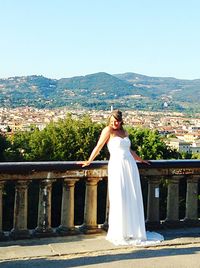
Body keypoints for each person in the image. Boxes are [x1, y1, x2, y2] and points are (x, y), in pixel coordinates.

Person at [80, 110, 164, 246]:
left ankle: (133, 230)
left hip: (130, 165)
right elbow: (99, 146)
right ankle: (121, 231)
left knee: (132, 196)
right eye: (113, 120)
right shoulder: (108, 130)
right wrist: (89, 161)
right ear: (109, 120)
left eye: (117, 121)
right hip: (117, 166)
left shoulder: (125, 132)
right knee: (119, 197)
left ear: (121, 121)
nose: (115, 123)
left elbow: (129, 150)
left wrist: (140, 160)